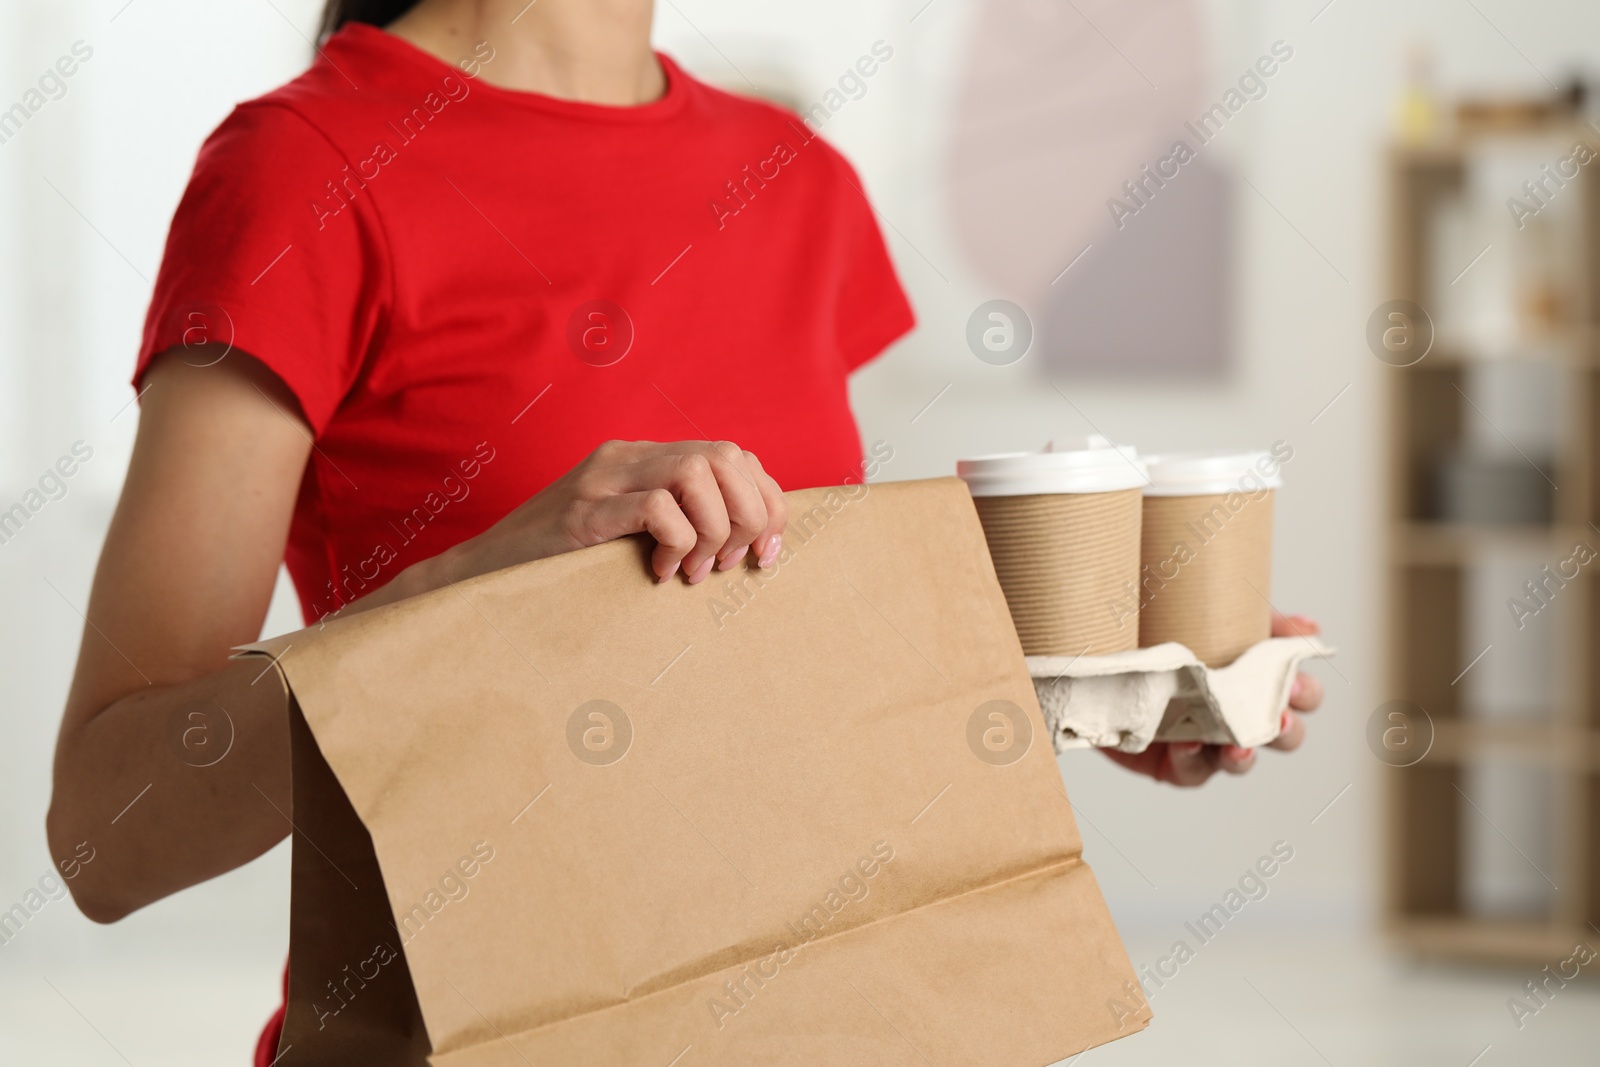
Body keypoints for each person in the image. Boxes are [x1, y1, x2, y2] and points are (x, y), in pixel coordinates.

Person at [45, 0, 1326, 1061]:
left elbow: (768, 665)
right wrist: (491, 576)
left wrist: (1081, 688)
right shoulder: (305, 167)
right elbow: (105, 831)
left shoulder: (794, 178)